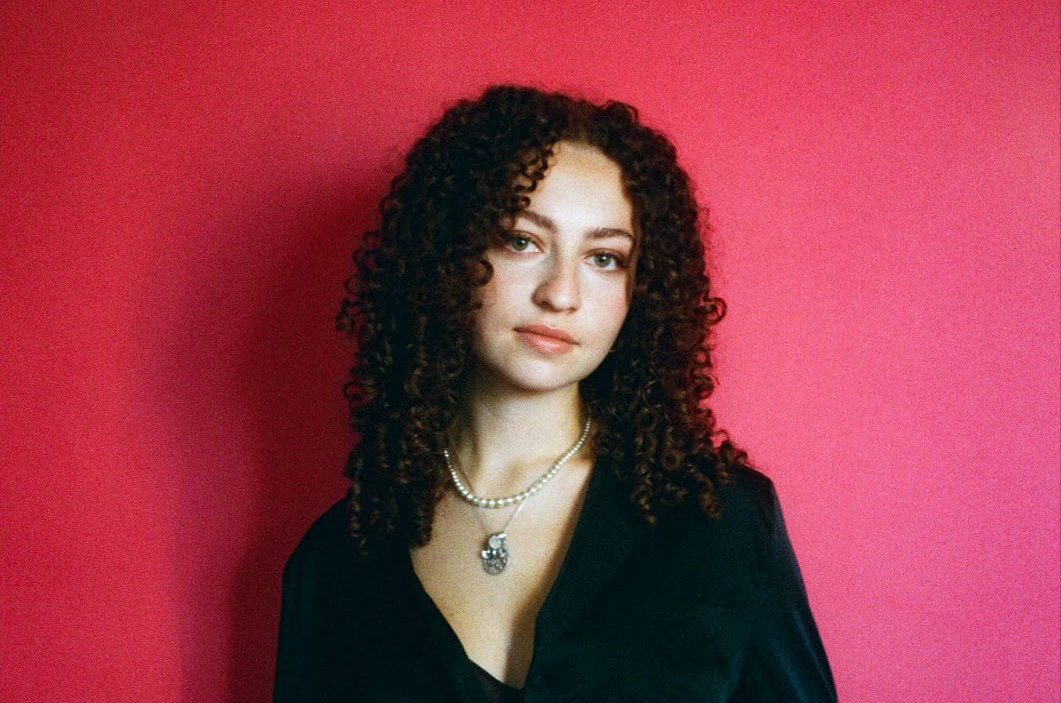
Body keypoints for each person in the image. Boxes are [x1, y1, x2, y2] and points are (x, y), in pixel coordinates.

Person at [273, 85, 838, 703]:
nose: (561, 294)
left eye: (605, 258)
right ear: (448, 255)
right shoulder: (336, 562)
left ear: (640, 290)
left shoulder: (723, 522)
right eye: (522, 241)